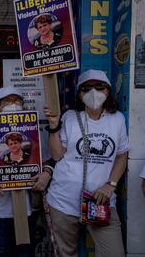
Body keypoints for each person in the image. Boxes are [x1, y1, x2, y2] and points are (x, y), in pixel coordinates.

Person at [44, 69, 129, 257]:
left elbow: (122, 155)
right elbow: (57, 155)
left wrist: (111, 184)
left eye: (99, 87)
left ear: (108, 91)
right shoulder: (69, 117)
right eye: (86, 88)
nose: (93, 93)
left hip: (100, 202)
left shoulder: (117, 119)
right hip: (63, 202)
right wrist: (53, 127)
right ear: (79, 94)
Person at [0, 86, 51, 257]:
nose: (13, 104)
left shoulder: (32, 129)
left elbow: (46, 159)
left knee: (25, 250)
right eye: (8, 101)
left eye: (17, 101)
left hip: (26, 203)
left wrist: (46, 173)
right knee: (2, 250)